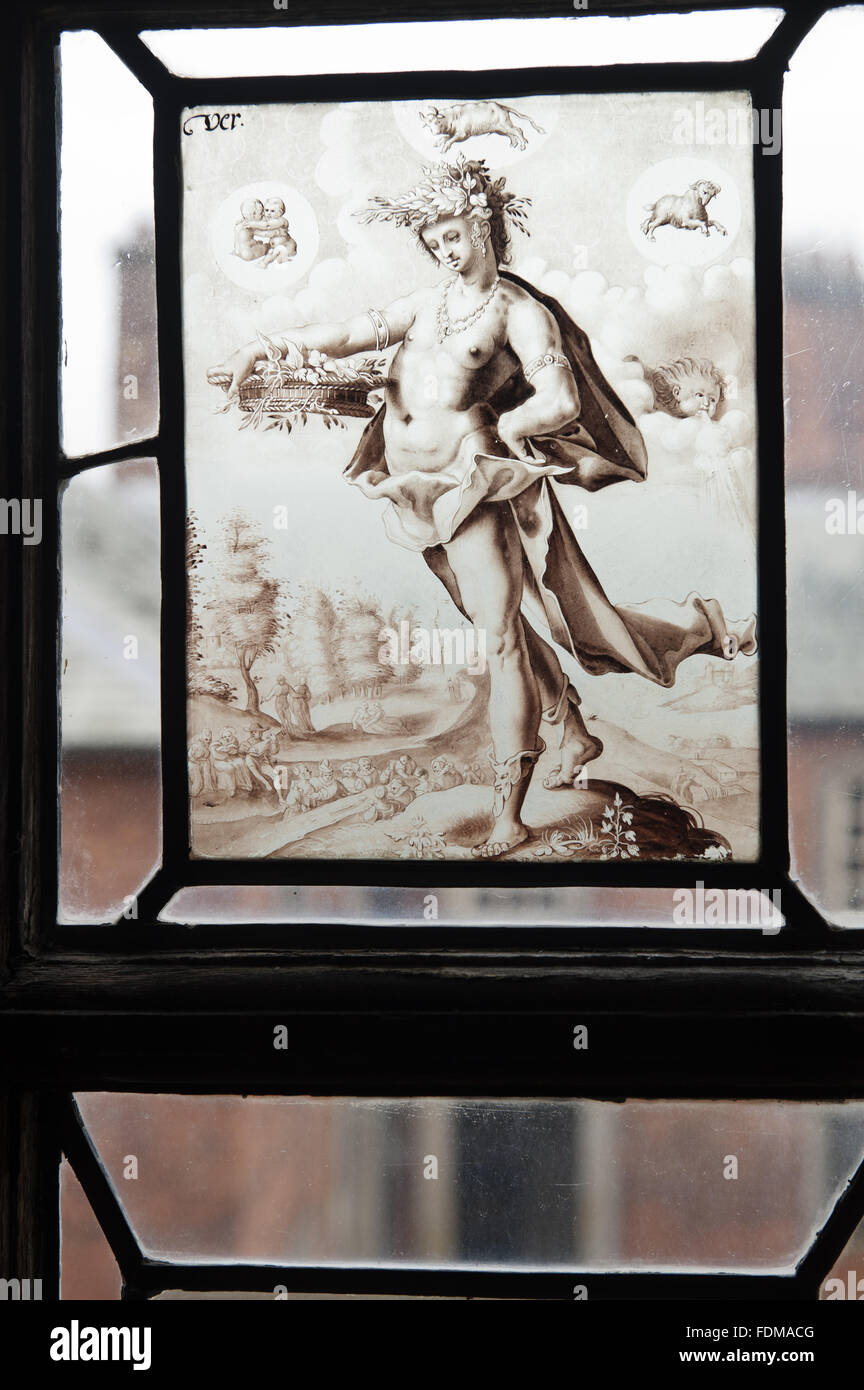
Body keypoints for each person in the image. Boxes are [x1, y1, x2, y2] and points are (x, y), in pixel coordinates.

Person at [209, 155, 756, 857]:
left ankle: (510, 815)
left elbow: (557, 399)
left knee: (500, 639)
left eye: (454, 233)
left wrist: (514, 431)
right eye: (433, 238)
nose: (443, 247)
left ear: (486, 226)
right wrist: (269, 347)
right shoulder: (428, 304)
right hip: (414, 488)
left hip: (475, 487)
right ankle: (573, 729)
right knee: (495, 622)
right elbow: (351, 332)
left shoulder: (518, 314)